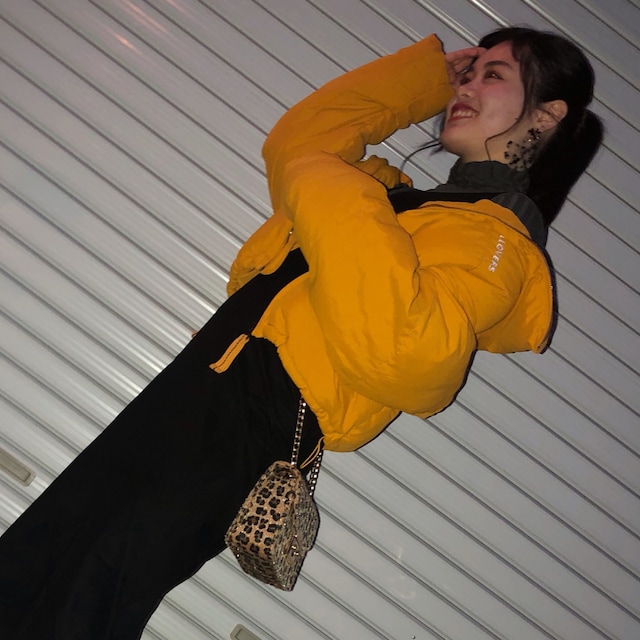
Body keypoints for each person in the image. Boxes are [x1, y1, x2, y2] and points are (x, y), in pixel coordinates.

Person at [0, 26, 603, 639]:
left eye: (493, 76)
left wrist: (343, 192)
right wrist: (425, 80)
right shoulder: (397, 198)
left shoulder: (496, 241)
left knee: (86, 595)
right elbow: (299, 144)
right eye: (468, 75)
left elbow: (411, 355)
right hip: (207, 381)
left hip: (254, 417)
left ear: (547, 114)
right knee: (41, 555)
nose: (466, 88)